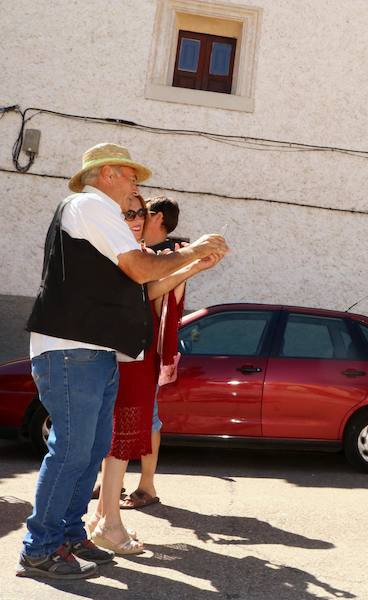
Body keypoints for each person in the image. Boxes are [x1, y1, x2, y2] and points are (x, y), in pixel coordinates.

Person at [18, 143, 228, 579]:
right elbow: (140, 267)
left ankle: (70, 535)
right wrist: (191, 251)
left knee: (91, 450)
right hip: (70, 349)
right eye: (132, 177)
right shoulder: (89, 205)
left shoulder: (102, 222)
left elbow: (143, 287)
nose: (137, 188)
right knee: (73, 451)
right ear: (109, 173)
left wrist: (192, 265)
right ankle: (39, 548)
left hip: (92, 351)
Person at [88, 194, 221, 554]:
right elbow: (148, 292)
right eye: (129, 212)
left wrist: (194, 266)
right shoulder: (125, 250)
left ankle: (102, 517)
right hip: (125, 356)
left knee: (120, 440)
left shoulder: (141, 251)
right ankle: (107, 523)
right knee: (117, 441)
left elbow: (152, 296)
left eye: (139, 212)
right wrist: (191, 261)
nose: (136, 217)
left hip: (136, 355)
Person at [121, 195, 184, 511]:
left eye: (142, 213)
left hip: (145, 350)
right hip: (128, 344)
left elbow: (158, 303)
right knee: (117, 413)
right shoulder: (145, 253)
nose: (136, 218)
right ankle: (113, 482)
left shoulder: (171, 256)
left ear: (156, 217)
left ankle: (147, 485)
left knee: (149, 418)